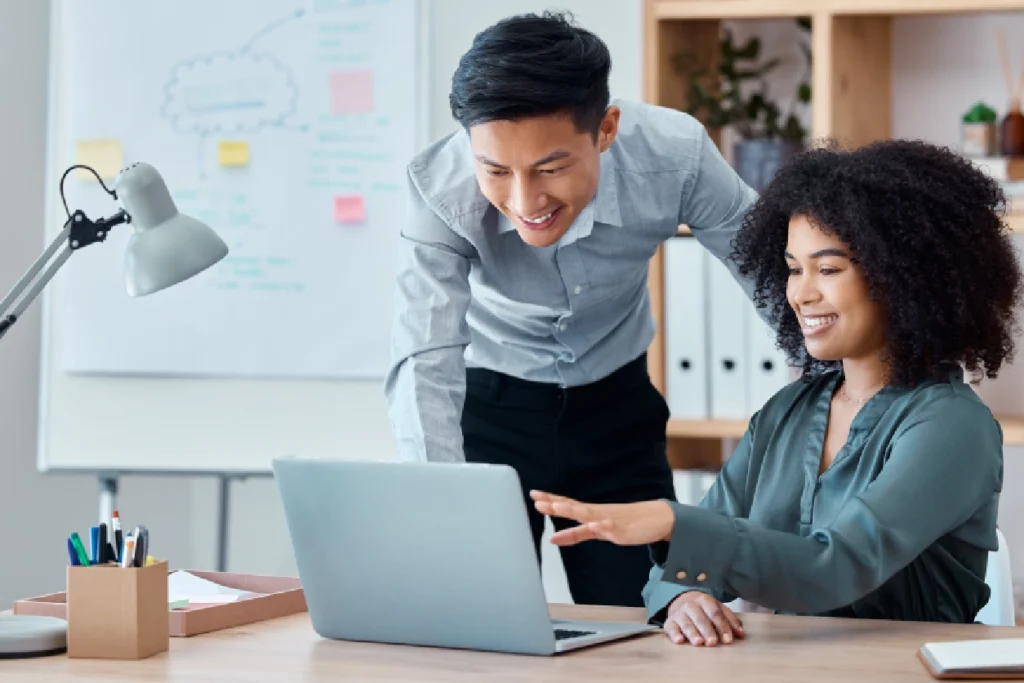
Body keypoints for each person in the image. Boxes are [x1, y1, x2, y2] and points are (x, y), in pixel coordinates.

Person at [531, 138, 1023, 642]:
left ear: (906, 277)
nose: (800, 293)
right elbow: (675, 572)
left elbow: (836, 567)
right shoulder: (788, 411)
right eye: (793, 268)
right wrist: (686, 598)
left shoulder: (953, 428)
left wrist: (673, 524)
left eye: (828, 269)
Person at [383, 11, 757, 607]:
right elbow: (425, 354)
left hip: (615, 411)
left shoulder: (675, 155)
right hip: (488, 415)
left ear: (605, 129)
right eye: (496, 170)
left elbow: (772, 272)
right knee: (478, 620)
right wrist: (438, 505)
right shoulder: (438, 188)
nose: (523, 200)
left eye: (550, 168)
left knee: (645, 621)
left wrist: (840, 400)